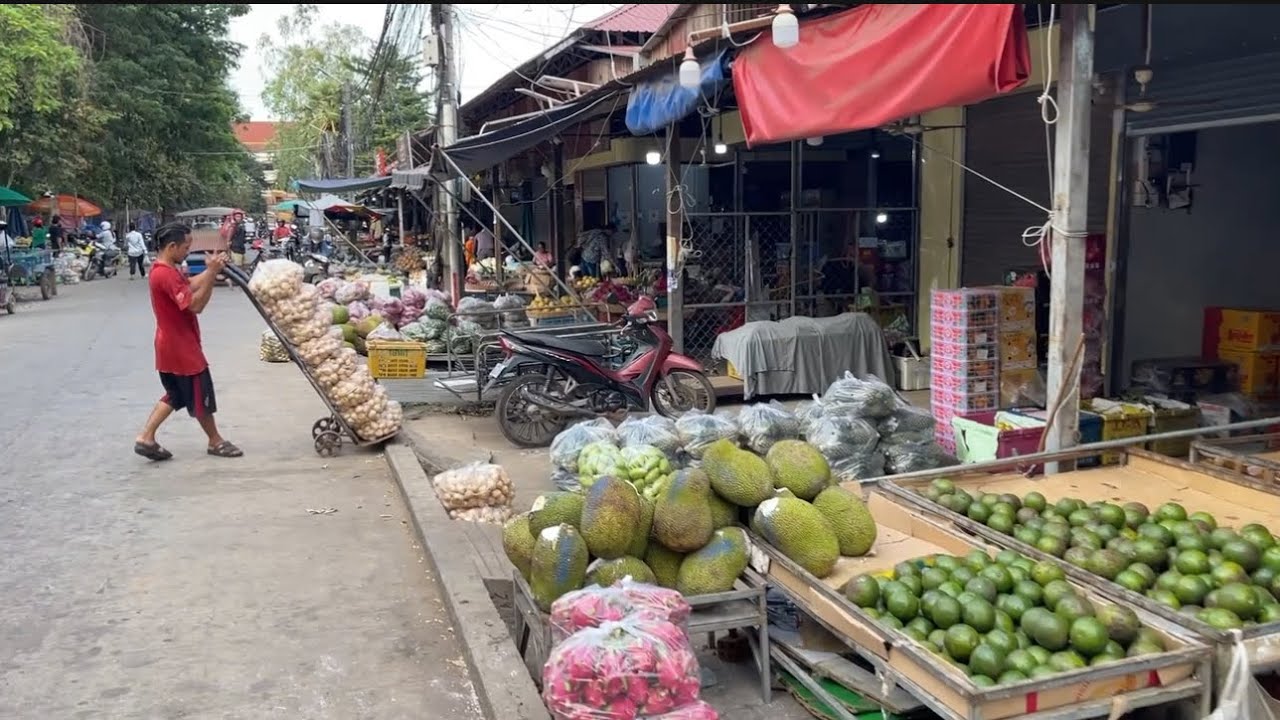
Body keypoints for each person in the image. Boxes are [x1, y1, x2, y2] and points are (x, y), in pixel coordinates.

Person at [134, 223, 242, 461]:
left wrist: (211, 269)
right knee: (199, 392)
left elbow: (189, 285)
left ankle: (146, 437)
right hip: (182, 348)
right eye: (186, 247)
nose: (187, 251)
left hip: (168, 345)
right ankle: (215, 441)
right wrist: (212, 275)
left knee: (176, 394)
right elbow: (196, 305)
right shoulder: (166, 275)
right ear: (172, 246)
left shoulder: (164, 269)